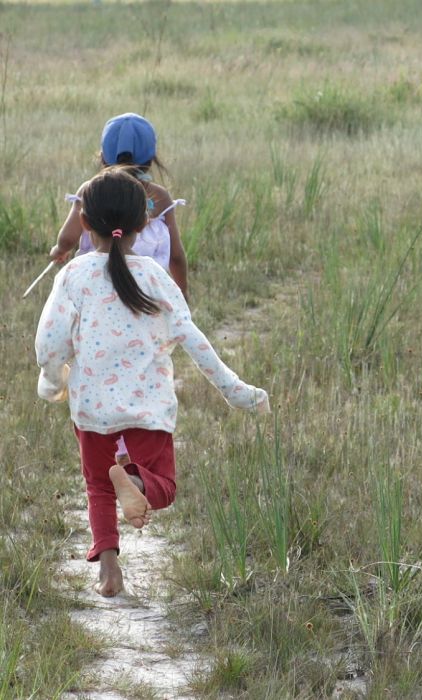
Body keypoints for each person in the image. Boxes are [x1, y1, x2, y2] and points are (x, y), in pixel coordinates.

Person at [35, 167, 270, 597]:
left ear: (85, 224)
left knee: (97, 486)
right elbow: (193, 340)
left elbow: (49, 342)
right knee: (164, 485)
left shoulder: (73, 276)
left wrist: (51, 380)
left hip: (92, 408)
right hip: (148, 408)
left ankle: (109, 570)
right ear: (144, 226)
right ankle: (139, 483)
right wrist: (235, 390)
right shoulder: (156, 277)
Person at [50, 112, 189, 298]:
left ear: (103, 157)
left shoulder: (89, 191)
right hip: (147, 294)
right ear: (151, 159)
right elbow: (176, 256)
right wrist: (182, 291)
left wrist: (59, 250)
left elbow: (67, 239)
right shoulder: (159, 197)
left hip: (94, 291)